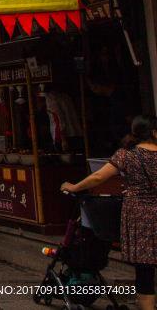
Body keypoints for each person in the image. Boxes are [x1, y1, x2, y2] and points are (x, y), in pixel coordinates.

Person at [62, 114, 157, 310]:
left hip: (138, 213)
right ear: (155, 133)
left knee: (145, 268)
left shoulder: (126, 154)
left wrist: (74, 187)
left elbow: (98, 177)